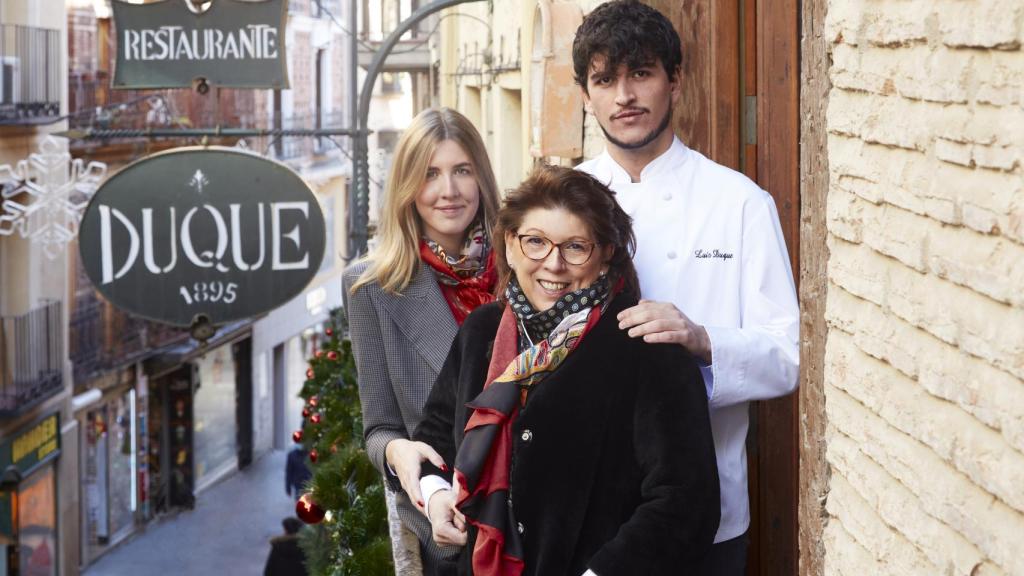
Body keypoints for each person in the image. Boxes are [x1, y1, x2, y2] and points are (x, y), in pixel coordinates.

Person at [572, 2, 800, 573]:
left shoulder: (740, 202)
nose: (624, 95)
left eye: (641, 73)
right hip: (585, 513)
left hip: (708, 514)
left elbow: (786, 355)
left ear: (674, 81)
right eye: (605, 79)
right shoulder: (560, 200)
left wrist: (703, 339)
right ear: (586, 95)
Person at [414, 166, 720, 576]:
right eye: (535, 242)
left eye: (575, 246)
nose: (553, 265)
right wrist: (436, 498)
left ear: (606, 251)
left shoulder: (647, 346)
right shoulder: (483, 329)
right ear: (510, 243)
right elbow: (434, 434)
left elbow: (686, 502)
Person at [342, 107, 502, 575]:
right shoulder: (371, 286)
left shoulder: (528, 262)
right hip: (448, 532)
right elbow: (379, 428)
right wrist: (399, 454)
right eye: (430, 174)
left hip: (537, 524)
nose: (448, 191)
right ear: (408, 188)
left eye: (462, 171)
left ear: (481, 178)